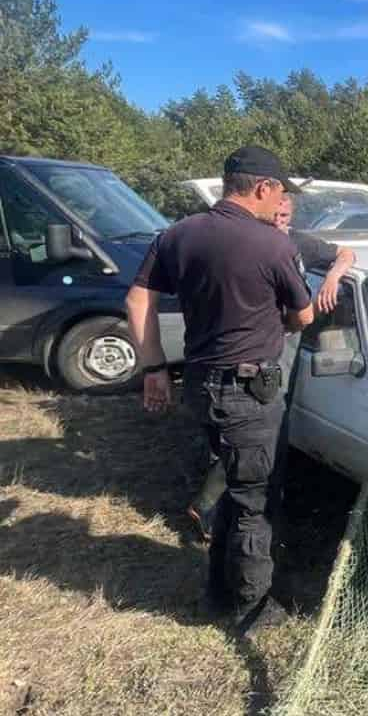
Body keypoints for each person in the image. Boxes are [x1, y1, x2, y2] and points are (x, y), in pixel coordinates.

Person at [125, 145, 314, 634]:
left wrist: (153, 368)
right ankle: (250, 610)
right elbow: (303, 316)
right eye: (280, 194)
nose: (281, 205)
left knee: (233, 486)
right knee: (255, 500)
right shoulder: (274, 245)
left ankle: (217, 590)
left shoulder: (179, 234)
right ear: (263, 188)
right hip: (249, 393)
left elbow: (137, 296)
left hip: (201, 386)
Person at [184, 193, 357, 542]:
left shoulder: (296, 242)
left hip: (289, 343)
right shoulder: (250, 242)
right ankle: (210, 507)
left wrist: (333, 278)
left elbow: (346, 253)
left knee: (267, 426)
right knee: (259, 428)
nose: (280, 218)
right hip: (259, 346)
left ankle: (245, 503)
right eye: (276, 212)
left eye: (286, 214)